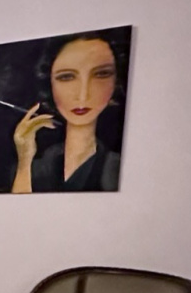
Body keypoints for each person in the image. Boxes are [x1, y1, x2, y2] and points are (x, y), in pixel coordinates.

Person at [11, 34, 122, 192]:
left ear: (116, 82)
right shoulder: (35, 167)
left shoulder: (117, 167)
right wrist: (25, 159)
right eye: (66, 77)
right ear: (49, 83)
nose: (83, 95)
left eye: (101, 74)